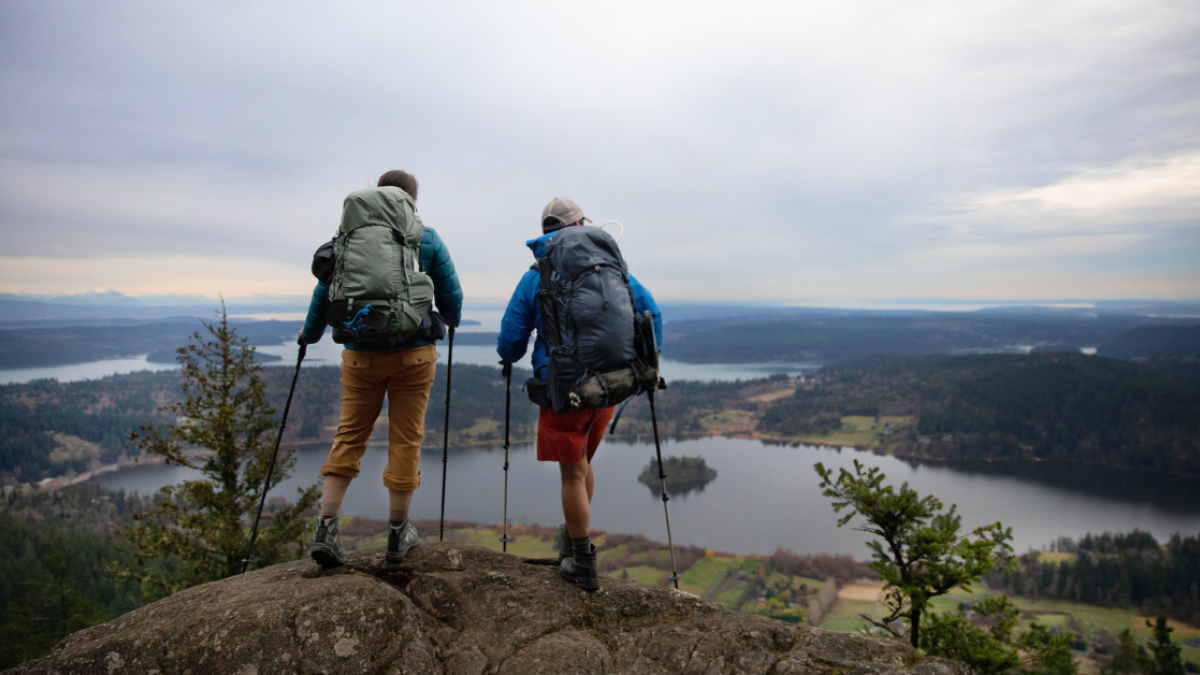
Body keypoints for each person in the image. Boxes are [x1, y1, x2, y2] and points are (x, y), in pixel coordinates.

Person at [497, 197, 661, 591]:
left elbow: (510, 342)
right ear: (582, 223)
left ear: (547, 233)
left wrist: (508, 356)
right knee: (583, 464)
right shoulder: (614, 270)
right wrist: (645, 365)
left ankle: (582, 561)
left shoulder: (537, 275)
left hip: (566, 390)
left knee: (572, 473)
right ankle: (573, 542)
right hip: (610, 386)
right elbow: (651, 314)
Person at [300, 169, 462, 569]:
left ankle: (326, 529)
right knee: (405, 440)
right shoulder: (426, 237)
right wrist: (451, 319)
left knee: (349, 435)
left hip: (359, 355)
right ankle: (397, 533)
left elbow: (324, 292)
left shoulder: (348, 239)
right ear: (412, 200)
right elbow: (451, 293)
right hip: (414, 356)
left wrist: (309, 335)